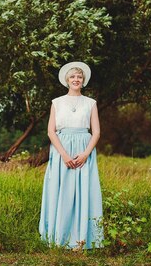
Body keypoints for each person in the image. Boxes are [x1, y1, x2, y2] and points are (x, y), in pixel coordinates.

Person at [39, 61, 104, 250]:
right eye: (73, 77)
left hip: (84, 148)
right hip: (62, 151)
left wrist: (85, 154)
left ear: (83, 81)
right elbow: (51, 131)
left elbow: (97, 132)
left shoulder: (91, 103)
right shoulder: (57, 103)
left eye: (79, 77)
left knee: (85, 192)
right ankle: (60, 238)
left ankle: (83, 239)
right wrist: (64, 155)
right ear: (67, 80)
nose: (76, 79)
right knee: (61, 193)